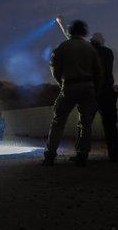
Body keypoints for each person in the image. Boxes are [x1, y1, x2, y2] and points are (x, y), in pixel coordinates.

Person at [42, 20, 102, 167]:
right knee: (85, 123)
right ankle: (82, 155)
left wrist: (62, 82)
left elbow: (54, 68)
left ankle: (50, 156)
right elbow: (98, 71)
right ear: (84, 32)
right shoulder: (90, 48)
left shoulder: (63, 47)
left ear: (70, 31)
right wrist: (94, 87)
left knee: (58, 122)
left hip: (69, 86)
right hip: (88, 87)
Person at [90, 32, 118, 162]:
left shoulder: (89, 53)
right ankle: (113, 153)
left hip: (92, 91)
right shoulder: (108, 52)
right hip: (107, 91)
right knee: (110, 125)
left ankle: (82, 153)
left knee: (85, 124)